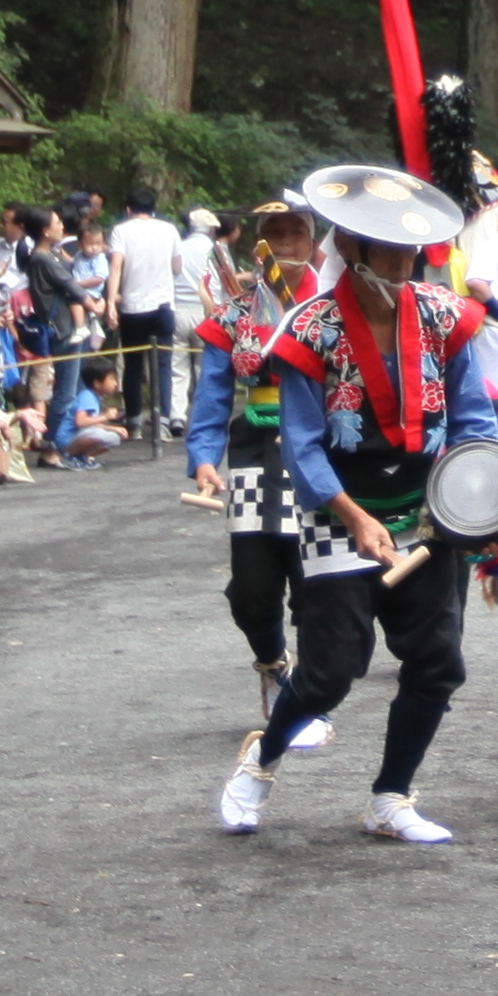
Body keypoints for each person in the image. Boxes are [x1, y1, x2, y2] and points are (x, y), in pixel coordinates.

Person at [219, 162, 498, 846]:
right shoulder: (312, 329)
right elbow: (300, 443)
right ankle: (262, 759)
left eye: (413, 249)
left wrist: (472, 493)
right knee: (330, 673)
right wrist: (353, 518)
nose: (405, 260)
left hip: (426, 513)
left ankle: (390, 797)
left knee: (439, 662)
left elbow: (474, 416)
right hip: (337, 513)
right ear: (350, 249)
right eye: (389, 247)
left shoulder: (446, 319)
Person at [191, 187, 339, 752]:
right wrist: (204, 457)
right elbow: (212, 393)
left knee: (315, 583)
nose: (284, 244)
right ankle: (275, 667)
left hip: (319, 454)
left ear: (313, 242)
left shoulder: (334, 309)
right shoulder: (234, 315)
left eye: (295, 233)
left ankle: (308, 695)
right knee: (251, 590)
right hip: (253, 455)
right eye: (274, 235)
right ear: (259, 246)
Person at [106, 184, 184, 448]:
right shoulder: (169, 229)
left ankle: (135, 421)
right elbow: (177, 267)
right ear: (153, 208)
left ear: (128, 209)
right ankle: (162, 420)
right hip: (163, 305)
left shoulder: (121, 230)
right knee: (163, 364)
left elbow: (116, 266)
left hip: (132, 306)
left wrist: (110, 303)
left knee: (133, 366)